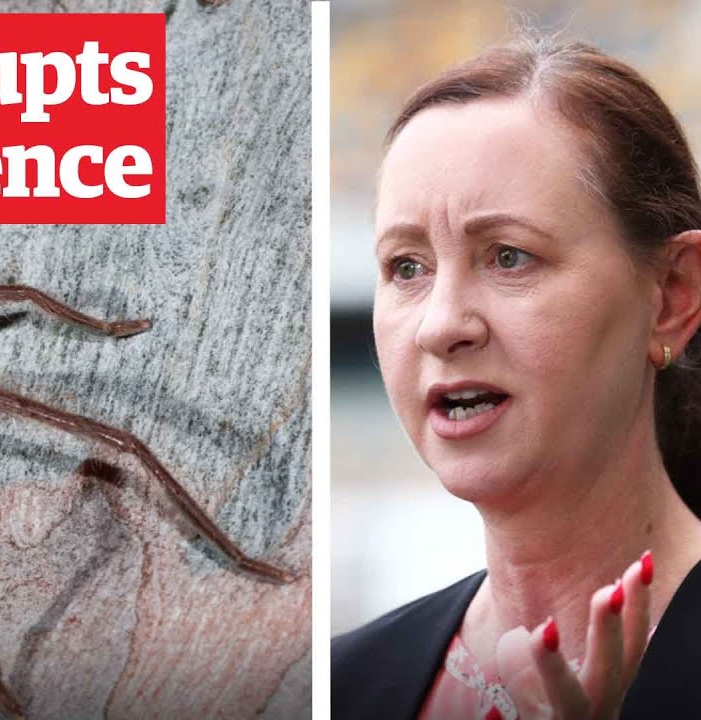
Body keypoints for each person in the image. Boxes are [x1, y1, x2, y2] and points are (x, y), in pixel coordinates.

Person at [332, 36, 701, 720]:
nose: (441, 325)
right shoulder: (343, 683)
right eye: (406, 267)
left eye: (509, 256)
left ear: (673, 294)